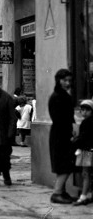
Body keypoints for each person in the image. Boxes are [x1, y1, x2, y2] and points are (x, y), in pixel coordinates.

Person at [48, 68, 77, 204]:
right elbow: (60, 119)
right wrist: (70, 134)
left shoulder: (62, 95)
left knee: (64, 164)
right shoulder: (58, 97)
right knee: (65, 164)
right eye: (65, 80)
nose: (67, 83)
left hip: (62, 133)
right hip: (61, 135)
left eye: (69, 81)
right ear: (58, 81)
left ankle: (62, 192)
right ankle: (57, 193)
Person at [72, 99, 93, 206]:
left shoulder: (86, 122)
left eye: (86, 110)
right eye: (82, 110)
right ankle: (89, 195)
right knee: (89, 174)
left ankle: (83, 196)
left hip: (86, 151)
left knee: (85, 174)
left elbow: (83, 138)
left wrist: (75, 141)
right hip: (89, 150)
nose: (84, 112)